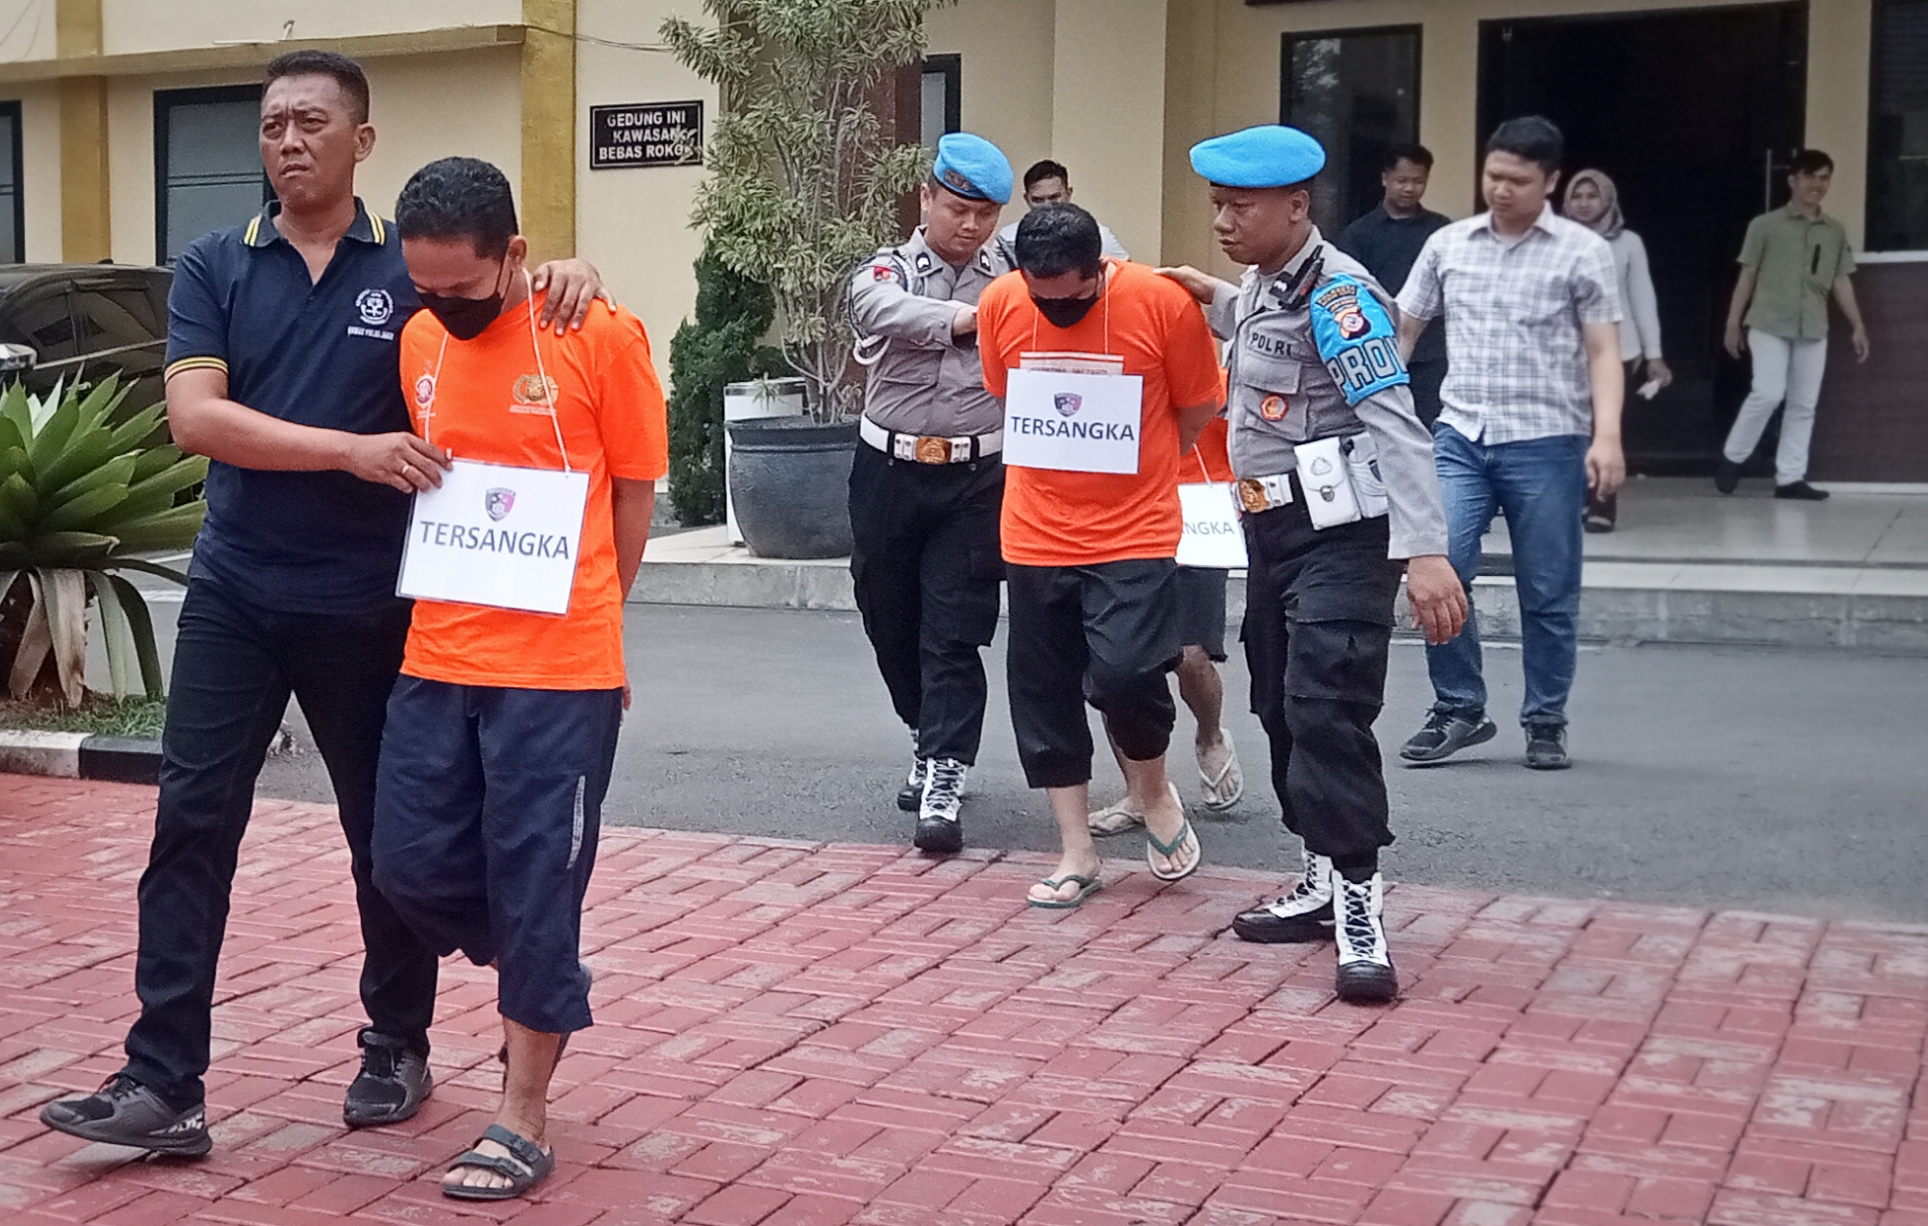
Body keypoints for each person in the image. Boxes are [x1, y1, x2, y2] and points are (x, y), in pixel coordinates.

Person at [37, 51, 604, 1157]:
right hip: (236, 591)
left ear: (362, 140)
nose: (287, 141)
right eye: (270, 125)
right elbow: (197, 420)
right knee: (190, 824)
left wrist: (574, 272)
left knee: (378, 839)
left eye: (309, 122)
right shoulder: (215, 264)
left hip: (372, 604)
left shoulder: (414, 267)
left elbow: (510, 322)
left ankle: (395, 1039)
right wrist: (351, 450)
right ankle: (164, 1081)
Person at [371, 156, 666, 1201]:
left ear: (515, 256)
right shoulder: (417, 342)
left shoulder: (595, 334)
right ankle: (540, 959)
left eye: (463, 288)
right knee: (403, 864)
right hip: (438, 653)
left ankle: (520, 1109)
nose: (442, 309)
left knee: (537, 881)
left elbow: (632, 492)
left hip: (558, 668)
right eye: (426, 290)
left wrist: (604, 626)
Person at [1159, 124, 1465, 1003]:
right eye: (1217, 204)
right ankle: (1320, 880)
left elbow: (1398, 425)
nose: (1222, 219)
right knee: (1277, 702)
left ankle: (1362, 907)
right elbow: (1261, 331)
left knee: (1326, 705)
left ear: (1297, 207)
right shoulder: (1265, 283)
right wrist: (1211, 295)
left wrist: (1426, 552)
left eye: (1240, 207)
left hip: (1344, 537)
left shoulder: (1342, 300)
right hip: (1271, 536)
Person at [977, 203, 1221, 909]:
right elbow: (1005, 388)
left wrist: (1153, 462)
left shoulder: (1159, 302)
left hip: (1133, 530)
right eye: (1040, 298)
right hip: (1034, 530)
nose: (1055, 311)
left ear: (1099, 270)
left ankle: (1154, 791)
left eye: (1072, 299)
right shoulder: (999, 303)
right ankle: (1077, 851)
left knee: (1124, 673)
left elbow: (1198, 403)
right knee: (1044, 690)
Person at [1393, 116, 1625, 772]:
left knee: (1549, 590)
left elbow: (1605, 349)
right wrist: (1381, 412)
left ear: (1549, 181)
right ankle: (1460, 706)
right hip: (1460, 435)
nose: (1500, 189)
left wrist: (1608, 437)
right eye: (1493, 175)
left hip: (1548, 442)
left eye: (1517, 181)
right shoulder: (1449, 244)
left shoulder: (1583, 252)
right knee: (1442, 571)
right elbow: (1404, 329)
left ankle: (1546, 717)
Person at [846, 131, 1013, 855]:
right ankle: (923, 727)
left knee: (955, 626)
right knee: (887, 615)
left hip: (977, 477)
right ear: (926, 200)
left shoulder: (1013, 272)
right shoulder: (890, 269)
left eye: (985, 214)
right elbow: (877, 310)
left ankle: (945, 768)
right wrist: (967, 322)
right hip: (888, 469)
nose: (970, 226)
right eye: (956, 209)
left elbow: (1096, 261)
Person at [1087, 412, 1243, 835]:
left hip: (1200, 508)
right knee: (1116, 661)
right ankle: (1140, 793)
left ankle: (1210, 735)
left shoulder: (1209, 361)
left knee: (1191, 656)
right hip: (1124, 508)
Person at [1716, 148, 1869, 501]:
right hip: (1769, 321)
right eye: (1810, 176)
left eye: (1824, 177)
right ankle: (1733, 455)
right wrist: (1732, 323)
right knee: (1768, 392)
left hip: (1813, 326)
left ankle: (1790, 478)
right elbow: (1747, 275)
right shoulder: (1764, 225)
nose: (1818, 184)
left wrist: (1857, 324)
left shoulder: (1834, 230)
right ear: (1792, 180)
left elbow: (1841, 280)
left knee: (1803, 404)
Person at [1562, 169, 1671, 533]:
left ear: (1607, 199)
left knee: (1604, 429)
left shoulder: (1627, 243)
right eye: (1577, 196)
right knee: (1568, 430)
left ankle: (1602, 505)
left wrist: (1654, 354)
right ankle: (1576, 499)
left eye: (1592, 196)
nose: (1583, 203)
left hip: (1616, 351)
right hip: (1562, 351)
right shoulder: (1553, 240)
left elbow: (1643, 298)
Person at [1335, 144, 1450, 428]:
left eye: (1418, 181)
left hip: (1432, 354)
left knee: (1431, 431)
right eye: (1402, 180)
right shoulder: (1358, 234)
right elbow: (1345, 295)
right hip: (1375, 352)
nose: (1410, 188)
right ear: (1385, 178)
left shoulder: (1441, 232)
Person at [997, 159, 1130, 265]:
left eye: (1054, 197)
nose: (1047, 206)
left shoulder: (1098, 235)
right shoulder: (1008, 238)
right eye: (1038, 200)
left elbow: (1127, 276)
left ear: (1068, 193)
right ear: (1026, 199)